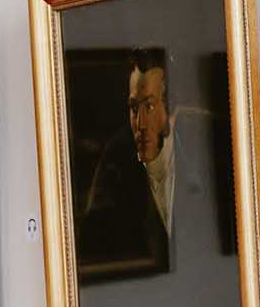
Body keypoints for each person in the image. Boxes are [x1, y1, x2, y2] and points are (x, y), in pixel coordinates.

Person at [78, 50, 222, 276]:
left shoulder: (206, 136)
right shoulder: (117, 155)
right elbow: (94, 235)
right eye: (134, 108)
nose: (141, 123)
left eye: (150, 106)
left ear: (171, 108)